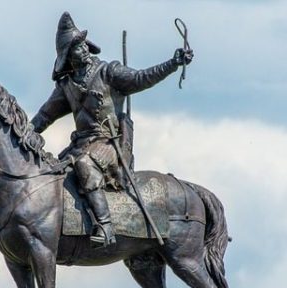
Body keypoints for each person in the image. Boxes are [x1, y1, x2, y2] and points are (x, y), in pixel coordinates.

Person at [30, 12, 193, 247]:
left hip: (109, 143)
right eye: (76, 47)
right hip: (80, 145)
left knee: (85, 165)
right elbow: (45, 115)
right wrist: (23, 134)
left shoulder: (108, 72)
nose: (83, 49)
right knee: (57, 173)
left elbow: (141, 78)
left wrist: (172, 64)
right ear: (68, 57)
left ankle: (105, 226)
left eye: (83, 44)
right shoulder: (66, 85)